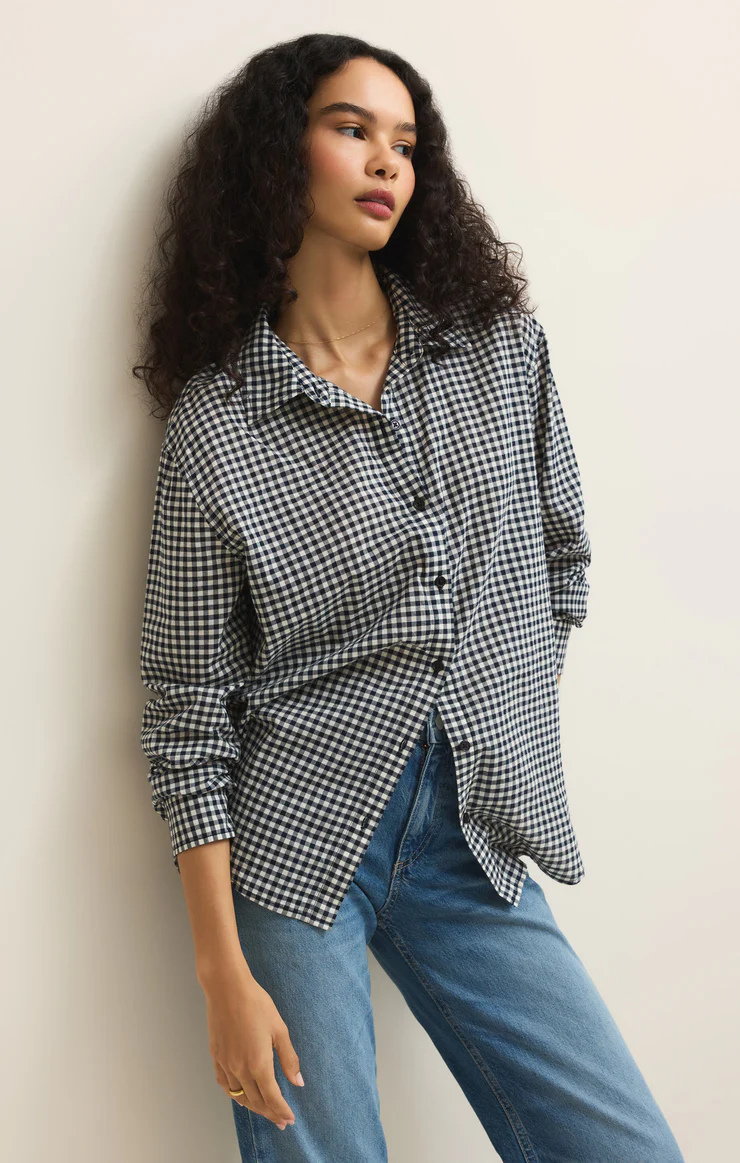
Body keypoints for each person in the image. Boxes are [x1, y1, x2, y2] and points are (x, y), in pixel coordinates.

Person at [133, 32, 685, 1163]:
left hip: (473, 827)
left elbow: (560, 558)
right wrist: (221, 972)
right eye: (352, 130)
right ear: (279, 154)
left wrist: (493, 709)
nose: (387, 160)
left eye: (406, 142)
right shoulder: (218, 424)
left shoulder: (498, 353)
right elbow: (186, 707)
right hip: (293, 843)